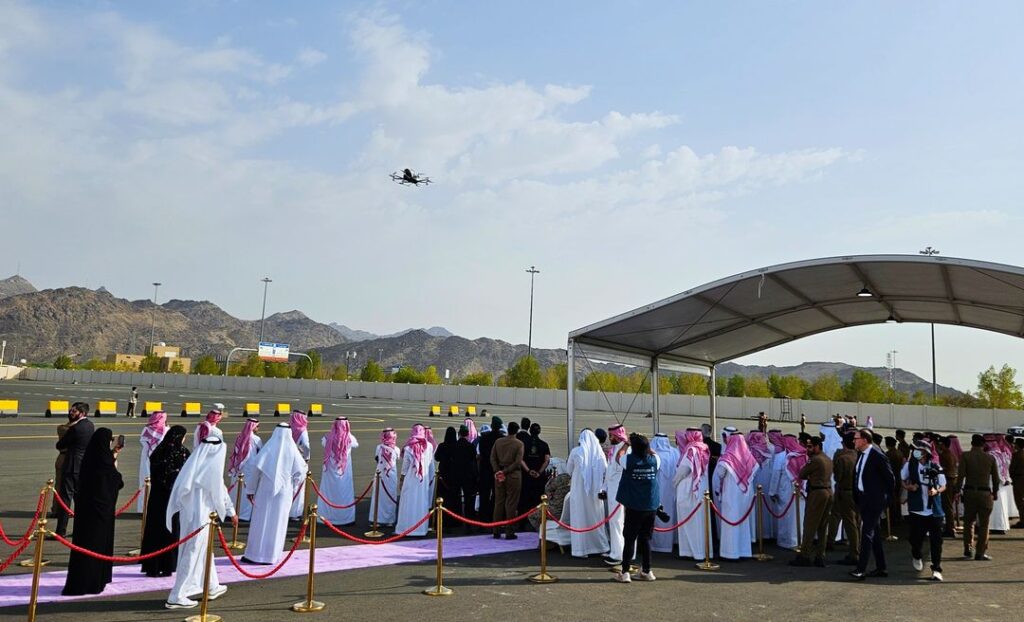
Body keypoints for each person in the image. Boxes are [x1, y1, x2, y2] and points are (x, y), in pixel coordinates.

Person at [165, 428, 237, 609]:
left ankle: (211, 585)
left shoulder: (193, 465)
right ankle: (177, 594)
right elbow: (220, 493)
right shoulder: (211, 469)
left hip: (190, 517)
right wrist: (231, 512)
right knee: (193, 552)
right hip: (201, 519)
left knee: (204, 550)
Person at [61, 427, 124, 596]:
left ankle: (85, 581)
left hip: (85, 512)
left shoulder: (90, 458)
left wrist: (113, 456)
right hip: (100, 514)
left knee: (84, 547)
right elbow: (116, 481)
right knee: (96, 547)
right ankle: (93, 581)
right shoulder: (104, 461)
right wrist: (114, 462)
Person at [242, 423, 306, 565]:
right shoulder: (292, 450)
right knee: (278, 523)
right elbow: (301, 471)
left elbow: (255, 470)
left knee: (260, 521)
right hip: (284, 492)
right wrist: (293, 485)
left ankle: (255, 555)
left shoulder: (268, 448)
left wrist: (250, 490)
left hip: (265, 490)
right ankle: (272, 556)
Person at [141, 425, 190, 578]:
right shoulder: (182, 453)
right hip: (173, 500)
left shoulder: (158, 452)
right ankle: (168, 565)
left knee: (155, 531)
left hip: (157, 499)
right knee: (171, 530)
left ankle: (152, 566)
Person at [612, 433, 660, 583]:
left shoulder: (629, 460)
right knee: (645, 539)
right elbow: (654, 454)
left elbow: (618, 456)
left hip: (634, 506)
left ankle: (625, 572)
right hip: (650, 506)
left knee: (629, 538)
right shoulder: (655, 460)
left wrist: (626, 444)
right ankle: (647, 570)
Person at [850, 429, 896, 580]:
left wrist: (887, 499)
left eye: (856, 438)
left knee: (866, 533)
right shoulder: (861, 454)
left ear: (864, 440)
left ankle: (860, 569)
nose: (853, 441)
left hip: (875, 501)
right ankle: (881, 567)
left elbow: (890, 479)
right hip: (863, 499)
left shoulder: (877, 455)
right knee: (874, 534)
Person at [902, 440, 947, 581]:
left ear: (926, 453)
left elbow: (943, 485)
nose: (915, 452)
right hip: (917, 509)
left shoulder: (935, 466)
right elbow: (902, 480)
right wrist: (909, 487)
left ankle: (936, 568)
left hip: (934, 510)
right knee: (915, 538)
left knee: (936, 541)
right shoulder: (909, 466)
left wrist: (936, 491)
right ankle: (916, 554)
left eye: (919, 450)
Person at [713, 432, 759, 560]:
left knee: (731, 522)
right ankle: (744, 551)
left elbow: (720, 473)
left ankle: (730, 553)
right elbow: (754, 470)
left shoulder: (728, 456)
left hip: (731, 494)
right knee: (743, 522)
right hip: (744, 494)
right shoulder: (748, 456)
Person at [566, 429, 610, 558]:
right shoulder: (599, 453)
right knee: (596, 519)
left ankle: (581, 550)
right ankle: (601, 547)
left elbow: (569, 470)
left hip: (578, 492)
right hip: (595, 492)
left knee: (580, 518)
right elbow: (605, 471)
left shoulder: (575, 452)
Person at [54, 402, 95, 537]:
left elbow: (60, 444)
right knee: (80, 499)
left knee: (66, 499)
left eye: (74, 412)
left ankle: (61, 531)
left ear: (82, 413)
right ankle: (81, 529)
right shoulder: (90, 425)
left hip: (71, 465)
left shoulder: (75, 428)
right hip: (83, 466)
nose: (71, 413)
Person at [790, 436, 833, 567]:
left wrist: (810, 475)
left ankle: (805, 555)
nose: (807, 449)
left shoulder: (815, 460)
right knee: (822, 526)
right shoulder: (827, 458)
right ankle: (820, 556)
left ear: (817, 446)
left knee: (810, 525)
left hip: (817, 493)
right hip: (828, 492)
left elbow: (802, 474)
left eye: (810, 446)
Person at [959, 433, 999, 560]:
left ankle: (969, 550)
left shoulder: (965, 456)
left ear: (972, 443)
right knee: (984, 525)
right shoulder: (990, 458)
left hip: (970, 493)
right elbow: (996, 479)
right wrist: (995, 492)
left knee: (969, 523)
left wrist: (956, 490)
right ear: (983, 445)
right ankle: (980, 553)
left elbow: (961, 476)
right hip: (985, 494)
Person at [673, 429, 709, 559]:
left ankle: (691, 552)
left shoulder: (691, 450)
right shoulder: (704, 448)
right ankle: (700, 551)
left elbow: (683, 470)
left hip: (688, 489)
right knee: (699, 521)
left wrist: (674, 482)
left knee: (689, 520)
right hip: (701, 489)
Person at [395, 424, 434, 537]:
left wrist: (402, 479)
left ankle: (406, 528)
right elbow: (429, 461)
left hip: (411, 479)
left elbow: (405, 467)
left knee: (408, 502)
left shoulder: (408, 447)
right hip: (423, 480)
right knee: (421, 502)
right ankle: (421, 529)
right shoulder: (429, 446)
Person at [828, 432, 861, 565]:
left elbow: (837, 477)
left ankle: (854, 553)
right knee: (856, 522)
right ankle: (857, 547)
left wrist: (837, 458)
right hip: (857, 492)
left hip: (845, 492)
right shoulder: (859, 456)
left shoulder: (842, 458)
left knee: (848, 522)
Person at [319, 417, 359, 525]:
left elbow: (323, 443)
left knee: (329, 493)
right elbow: (356, 445)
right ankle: (345, 518)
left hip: (330, 472)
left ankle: (327, 517)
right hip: (343, 472)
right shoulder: (350, 438)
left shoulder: (327, 438)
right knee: (344, 493)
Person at [770, 434, 806, 550]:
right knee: (798, 515)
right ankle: (798, 539)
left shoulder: (781, 456)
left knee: (787, 516)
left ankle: (787, 541)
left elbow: (775, 476)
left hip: (785, 490)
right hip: (800, 490)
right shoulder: (803, 454)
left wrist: (772, 492)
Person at [491, 421, 525, 539]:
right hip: (513, 475)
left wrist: (498, 471)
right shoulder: (519, 444)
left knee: (499, 502)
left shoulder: (498, 441)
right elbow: (517, 462)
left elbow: (493, 458)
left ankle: (496, 529)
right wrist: (505, 471)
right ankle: (509, 531)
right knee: (511, 503)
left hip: (499, 473)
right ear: (516, 431)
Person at [602, 423, 629, 565]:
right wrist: (604, 488)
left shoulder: (626, 450)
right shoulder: (614, 449)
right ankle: (615, 549)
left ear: (617, 436)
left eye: (611, 435)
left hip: (621, 491)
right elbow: (609, 472)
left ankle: (618, 554)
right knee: (613, 522)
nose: (609, 438)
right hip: (612, 491)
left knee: (618, 522)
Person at [227, 418, 262, 521]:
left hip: (239, 468)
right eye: (257, 426)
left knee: (236, 491)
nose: (258, 428)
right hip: (250, 469)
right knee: (248, 491)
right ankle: (244, 515)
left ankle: (233, 512)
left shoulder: (240, 437)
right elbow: (261, 453)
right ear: (253, 427)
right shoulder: (256, 439)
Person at [649, 433, 677, 553]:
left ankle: (657, 545)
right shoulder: (675, 453)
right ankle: (671, 543)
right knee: (669, 515)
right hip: (671, 490)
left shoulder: (653, 455)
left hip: (657, 490)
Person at [746, 431, 776, 540]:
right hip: (766, 480)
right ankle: (766, 534)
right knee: (765, 506)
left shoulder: (748, 450)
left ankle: (756, 534)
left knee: (755, 507)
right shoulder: (770, 449)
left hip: (754, 481)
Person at [370, 428, 400, 527]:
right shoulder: (396, 449)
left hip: (380, 475)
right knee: (390, 497)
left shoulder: (379, 447)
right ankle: (390, 520)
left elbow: (376, 459)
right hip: (391, 476)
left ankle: (377, 520)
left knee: (379, 498)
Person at [138, 410, 168, 512]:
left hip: (146, 457)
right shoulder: (166, 430)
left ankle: (143, 509)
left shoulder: (146, 429)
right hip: (158, 459)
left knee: (144, 482)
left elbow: (143, 441)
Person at [984, 434, 1013, 533]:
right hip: (1001, 485)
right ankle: (999, 526)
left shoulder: (991, 455)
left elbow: (996, 471)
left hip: (993, 484)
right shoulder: (999, 453)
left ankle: (994, 527)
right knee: (1000, 508)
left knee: (994, 507)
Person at [451, 425, 479, 529]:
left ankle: (456, 521)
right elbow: (473, 461)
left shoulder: (455, 445)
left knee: (456, 498)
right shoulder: (471, 446)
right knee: (468, 500)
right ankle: (468, 523)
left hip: (456, 475)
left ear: (459, 434)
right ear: (467, 434)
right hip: (468, 476)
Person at [521, 423, 551, 518]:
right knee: (538, 499)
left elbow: (520, 459)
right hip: (539, 477)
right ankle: (537, 520)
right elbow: (547, 460)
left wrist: (528, 471)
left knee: (525, 499)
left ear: (530, 431)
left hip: (526, 476)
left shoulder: (524, 444)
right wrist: (539, 472)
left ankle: (524, 521)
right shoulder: (544, 444)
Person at [477, 417, 503, 524]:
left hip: (485, 470)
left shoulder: (484, 438)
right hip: (497, 470)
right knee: (497, 495)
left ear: (492, 426)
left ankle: (482, 518)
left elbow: (482, 454)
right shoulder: (502, 439)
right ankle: (493, 515)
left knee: (484, 495)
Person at [433, 426, 460, 528]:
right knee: (454, 499)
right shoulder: (457, 446)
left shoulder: (442, 446)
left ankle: (440, 520)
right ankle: (455, 521)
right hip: (455, 475)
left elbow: (437, 457)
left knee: (442, 498)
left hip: (443, 475)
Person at [289, 410, 311, 519]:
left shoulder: (289, 428)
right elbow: (306, 445)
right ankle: (295, 513)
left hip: (289, 461)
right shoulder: (302, 431)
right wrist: (307, 457)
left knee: (289, 486)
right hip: (300, 461)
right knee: (298, 488)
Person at [49, 413, 73, 517]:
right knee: (68, 486)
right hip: (67, 458)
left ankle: (56, 509)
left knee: (59, 485)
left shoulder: (61, 428)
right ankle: (62, 509)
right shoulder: (68, 429)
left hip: (61, 458)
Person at [936, 436, 959, 537]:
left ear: (943, 444)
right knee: (949, 505)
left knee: (947, 505)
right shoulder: (951, 454)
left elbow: (943, 468)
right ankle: (950, 527)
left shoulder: (945, 455)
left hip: (948, 481)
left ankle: (950, 529)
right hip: (952, 480)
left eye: (940, 443)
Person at [883, 437, 905, 527]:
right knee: (897, 498)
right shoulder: (900, 453)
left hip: (892, 478)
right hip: (898, 477)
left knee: (891, 499)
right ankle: (898, 517)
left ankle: (892, 518)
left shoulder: (888, 454)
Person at [1012, 438, 1024, 529]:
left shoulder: (1016, 455)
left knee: (1019, 501)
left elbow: (1012, 468)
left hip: (1019, 480)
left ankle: (1022, 520)